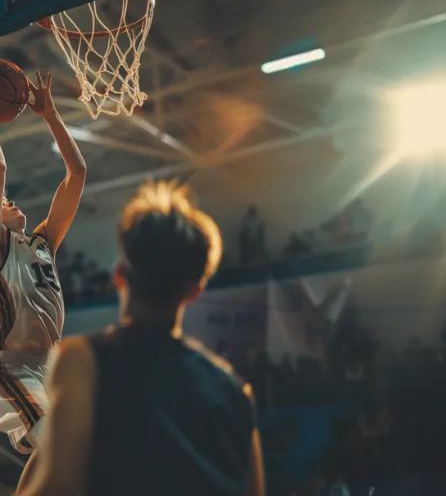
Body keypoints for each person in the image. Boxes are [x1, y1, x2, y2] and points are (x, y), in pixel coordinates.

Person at [16, 181, 264, 496]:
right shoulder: (236, 393)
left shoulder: (82, 360)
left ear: (119, 275)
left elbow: (60, 488)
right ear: (195, 291)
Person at [0, 70, 87, 488]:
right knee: (55, 445)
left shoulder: (42, 244)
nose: (12, 203)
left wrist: (51, 115)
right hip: (13, 367)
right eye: (4, 202)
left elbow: (77, 175)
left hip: (50, 368)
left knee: (70, 456)